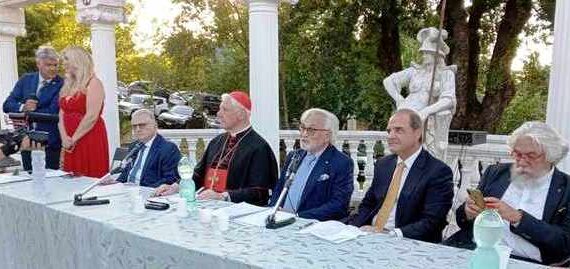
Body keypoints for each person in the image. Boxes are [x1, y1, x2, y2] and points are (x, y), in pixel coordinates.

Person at [445, 122, 570, 266]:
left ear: (550, 155)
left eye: (531, 155)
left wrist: (517, 218)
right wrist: (468, 212)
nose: (522, 161)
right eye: (517, 154)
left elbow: (564, 243)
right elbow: (462, 221)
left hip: (528, 261)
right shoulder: (496, 173)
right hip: (475, 251)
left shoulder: (565, 188)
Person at [155, 91, 278, 206]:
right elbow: (198, 174)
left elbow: (260, 192)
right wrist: (175, 187)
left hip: (236, 213)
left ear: (241, 115)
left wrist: (222, 196)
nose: (218, 114)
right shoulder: (217, 142)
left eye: (224, 110)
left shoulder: (259, 148)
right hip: (207, 207)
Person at [349, 109, 454, 243]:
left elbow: (433, 221)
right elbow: (368, 204)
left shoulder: (437, 171)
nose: (391, 136)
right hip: (368, 235)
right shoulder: (384, 164)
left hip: (407, 243)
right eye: (389, 131)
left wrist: (392, 234)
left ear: (417, 133)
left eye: (398, 130)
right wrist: (353, 229)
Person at [383, 27, 457, 160]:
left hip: (421, 119)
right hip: (403, 114)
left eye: (427, 53)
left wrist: (426, 111)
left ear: (437, 55)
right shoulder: (414, 72)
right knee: (399, 153)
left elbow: (449, 100)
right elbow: (388, 81)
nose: (424, 56)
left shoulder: (446, 74)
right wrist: (399, 98)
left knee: (415, 156)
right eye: (423, 53)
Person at [269, 108, 353, 221]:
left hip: (313, 226)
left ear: (327, 136)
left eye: (311, 130)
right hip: (280, 221)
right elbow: (279, 189)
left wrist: (297, 217)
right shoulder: (294, 156)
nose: (304, 134)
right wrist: (274, 209)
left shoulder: (341, 163)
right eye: (302, 128)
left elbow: (338, 205)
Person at [3, 45, 63, 171]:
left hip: (50, 142)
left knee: (51, 182)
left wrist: (31, 111)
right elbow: (7, 104)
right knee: (28, 180)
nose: (53, 69)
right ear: (38, 64)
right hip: (26, 141)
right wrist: (23, 107)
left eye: (55, 65)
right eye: (48, 65)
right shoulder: (26, 79)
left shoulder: (62, 84)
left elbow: (53, 111)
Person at [58, 46, 109, 178]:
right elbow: (61, 114)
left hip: (89, 137)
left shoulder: (94, 83)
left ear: (77, 60)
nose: (63, 63)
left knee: (88, 176)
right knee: (70, 179)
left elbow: (92, 116)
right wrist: (65, 139)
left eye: (66, 59)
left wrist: (73, 139)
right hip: (69, 141)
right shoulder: (68, 85)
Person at [100, 109, 181, 187]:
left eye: (142, 125)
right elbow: (126, 172)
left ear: (155, 126)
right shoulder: (134, 146)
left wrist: (140, 190)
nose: (137, 129)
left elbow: (171, 179)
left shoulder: (168, 148)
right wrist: (116, 182)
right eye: (134, 126)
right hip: (127, 192)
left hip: (149, 194)